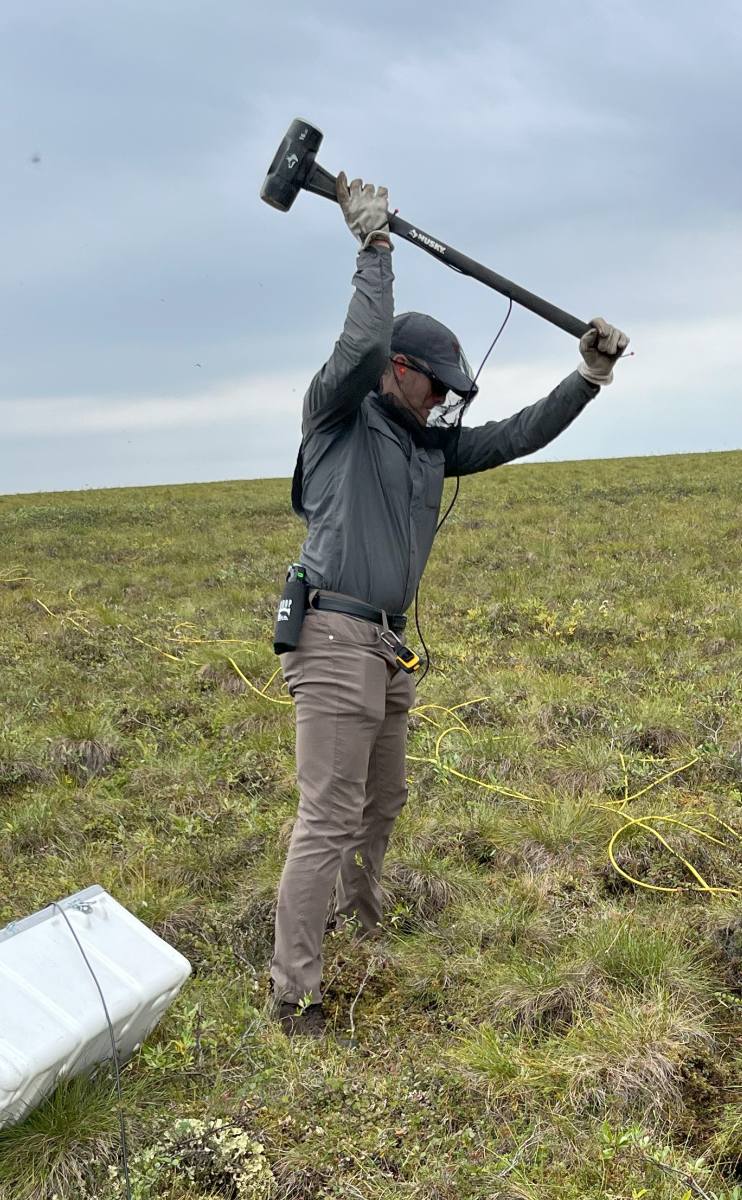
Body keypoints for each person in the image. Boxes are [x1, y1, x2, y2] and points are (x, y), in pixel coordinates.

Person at [270, 173, 628, 1036]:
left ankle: (360, 923)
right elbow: (356, 345)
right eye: (435, 385)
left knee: (379, 802)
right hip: (332, 635)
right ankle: (294, 993)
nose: (445, 401)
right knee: (325, 815)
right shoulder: (337, 415)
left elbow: (514, 436)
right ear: (399, 371)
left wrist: (585, 379)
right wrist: (375, 249)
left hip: (388, 650)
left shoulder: (429, 448)